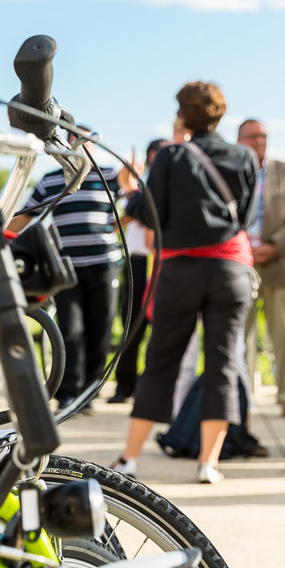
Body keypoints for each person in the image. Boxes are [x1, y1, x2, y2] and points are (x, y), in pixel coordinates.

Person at [114, 82, 258, 485]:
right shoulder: (244, 156)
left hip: (180, 271)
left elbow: (148, 211)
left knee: (161, 361)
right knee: (223, 364)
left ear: (182, 114)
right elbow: (244, 218)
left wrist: (129, 188)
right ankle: (208, 463)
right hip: (230, 271)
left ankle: (129, 459)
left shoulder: (172, 156)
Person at [8, 152, 123, 409]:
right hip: (65, 268)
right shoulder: (49, 181)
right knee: (70, 329)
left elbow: (134, 193)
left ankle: (90, 391)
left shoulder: (108, 176)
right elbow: (26, 215)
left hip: (105, 265)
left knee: (101, 328)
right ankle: (69, 392)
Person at [237, 118, 285, 419]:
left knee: (283, 336)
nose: (259, 141)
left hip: (278, 262)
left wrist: (276, 245)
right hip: (240, 263)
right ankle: (241, 399)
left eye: (264, 136)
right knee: (239, 337)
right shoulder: (232, 171)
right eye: (253, 136)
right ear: (239, 139)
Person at [110, 139, 166, 403]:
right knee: (132, 324)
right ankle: (125, 385)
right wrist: (130, 189)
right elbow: (123, 218)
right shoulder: (143, 188)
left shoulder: (161, 186)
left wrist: (131, 191)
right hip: (137, 264)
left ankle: (152, 385)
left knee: (162, 327)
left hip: (161, 261)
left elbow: (145, 213)